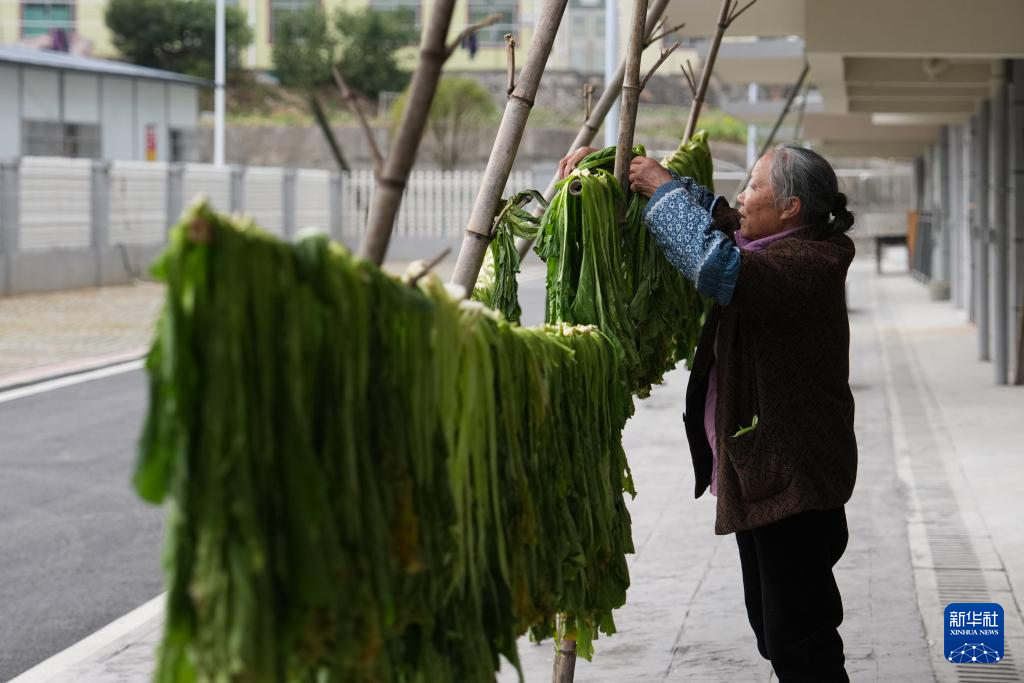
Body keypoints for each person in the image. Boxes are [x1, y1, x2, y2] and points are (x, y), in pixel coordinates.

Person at [559, 144, 858, 682]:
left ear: (789, 207)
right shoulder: (775, 242)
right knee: (776, 630)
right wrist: (617, 168)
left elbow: (716, 265)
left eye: (754, 186)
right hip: (766, 475)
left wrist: (661, 189)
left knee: (799, 637)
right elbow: (716, 216)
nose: (741, 197)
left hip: (794, 479)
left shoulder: (805, 264)